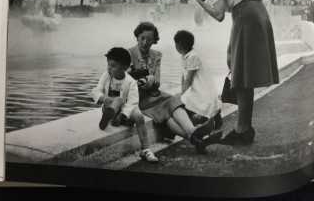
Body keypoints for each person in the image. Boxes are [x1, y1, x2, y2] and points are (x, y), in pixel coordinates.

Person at [192, 0, 279, 146]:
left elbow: (219, 15)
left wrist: (200, 1)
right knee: (240, 70)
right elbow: (238, 8)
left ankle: (243, 130)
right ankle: (244, 128)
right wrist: (230, 49)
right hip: (256, 14)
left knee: (242, 75)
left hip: (247, 16)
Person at [128, 22, 219, 153]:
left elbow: (157, 82)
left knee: (173, 101)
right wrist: (143, 82)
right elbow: (125, 82)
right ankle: (194, 135)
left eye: (149, 40)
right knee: (165, 112)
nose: (145, 43)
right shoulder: (129, 54)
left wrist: (151, 81)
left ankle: (192, 133)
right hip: (139, 98)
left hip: (154, 94)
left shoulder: (156, 55)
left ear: (154, 41)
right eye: (142, 38)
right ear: (137, 36)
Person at [92, 47, 159, 163]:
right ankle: (109, 115)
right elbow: (96, 90)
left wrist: (123, 115)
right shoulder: (106, 76)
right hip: (109, 105)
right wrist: (104, 98)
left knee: (139, 116)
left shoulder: (130, 81)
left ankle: (146, 149)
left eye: (113, 66)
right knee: (117, 100)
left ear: (124, 68)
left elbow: (133, 102)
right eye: (108, 65)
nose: (109, 68)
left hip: (124, 110)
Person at [174, 30, 222, 128]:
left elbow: (189, 80)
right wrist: (181, 92)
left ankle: (208, 118)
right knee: (182, 100)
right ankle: (206, 117)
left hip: (201, 90)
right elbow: (183, 77)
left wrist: (182, 96)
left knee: (181, 103)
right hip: (196, 88)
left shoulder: (193, 56)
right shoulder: (184, 56)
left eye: (176, 44)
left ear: (179, 45)